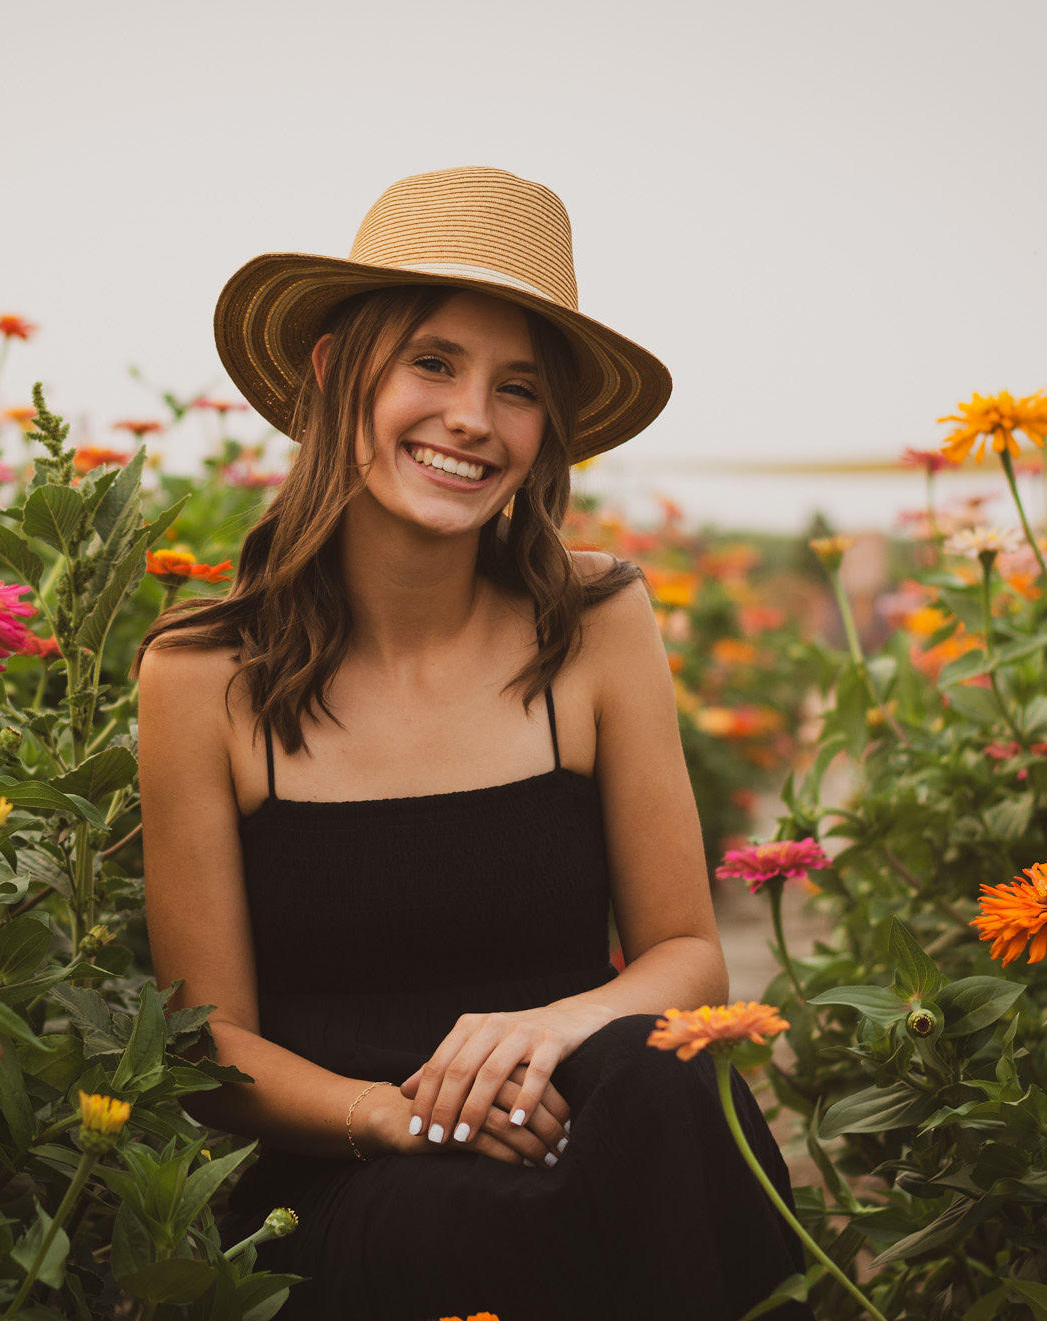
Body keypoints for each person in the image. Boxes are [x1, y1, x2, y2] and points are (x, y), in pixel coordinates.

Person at [133, 166, 811, 1321]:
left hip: (585, 1122)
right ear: (335, 369)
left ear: (544, 430)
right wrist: (398, 1113)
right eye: (432, 363)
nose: (470, 419)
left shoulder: (594, 625)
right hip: (351, 1178)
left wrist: (546, 1027)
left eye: (517, 389)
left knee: (667, 1071)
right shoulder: (202, 675)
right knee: (500, 1236)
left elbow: (685, 953)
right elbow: (212, 1049)